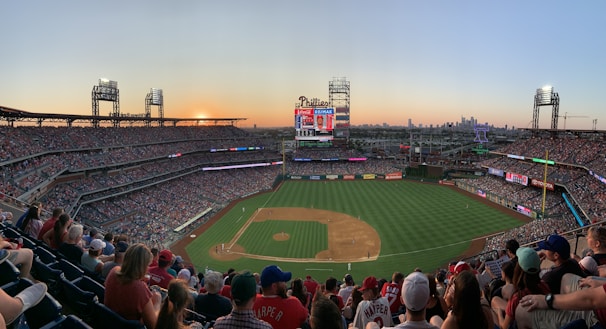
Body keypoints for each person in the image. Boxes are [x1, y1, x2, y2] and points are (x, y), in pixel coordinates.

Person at [517, 274, 606, 329]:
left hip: (598, 320)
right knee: (566, 278)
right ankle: (568, 311)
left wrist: (547, 300)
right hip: (600, 305)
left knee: (522, 310)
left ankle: (569, 316)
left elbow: (591, 300)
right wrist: (602, 283)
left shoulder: (549, 277)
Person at [104, 243, 161, 329]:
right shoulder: (140, 288)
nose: (147, 269)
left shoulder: (114, 271)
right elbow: (153, 325)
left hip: (108, 322)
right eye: (147, 265)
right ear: (142, 266)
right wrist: (157, 303)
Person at [490, 247, 550, 329]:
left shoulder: (517, 297)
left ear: (518, 269)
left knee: (492, 311)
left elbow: (504, 327)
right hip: (540, 322)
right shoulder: (543, 285)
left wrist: (499, 313)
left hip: (520, 323)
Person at [253, 265, 309, 329]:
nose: (285, 284)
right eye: (283, 281)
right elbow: (306, 318)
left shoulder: (252, 302)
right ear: (274, 286)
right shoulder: (293, 303)